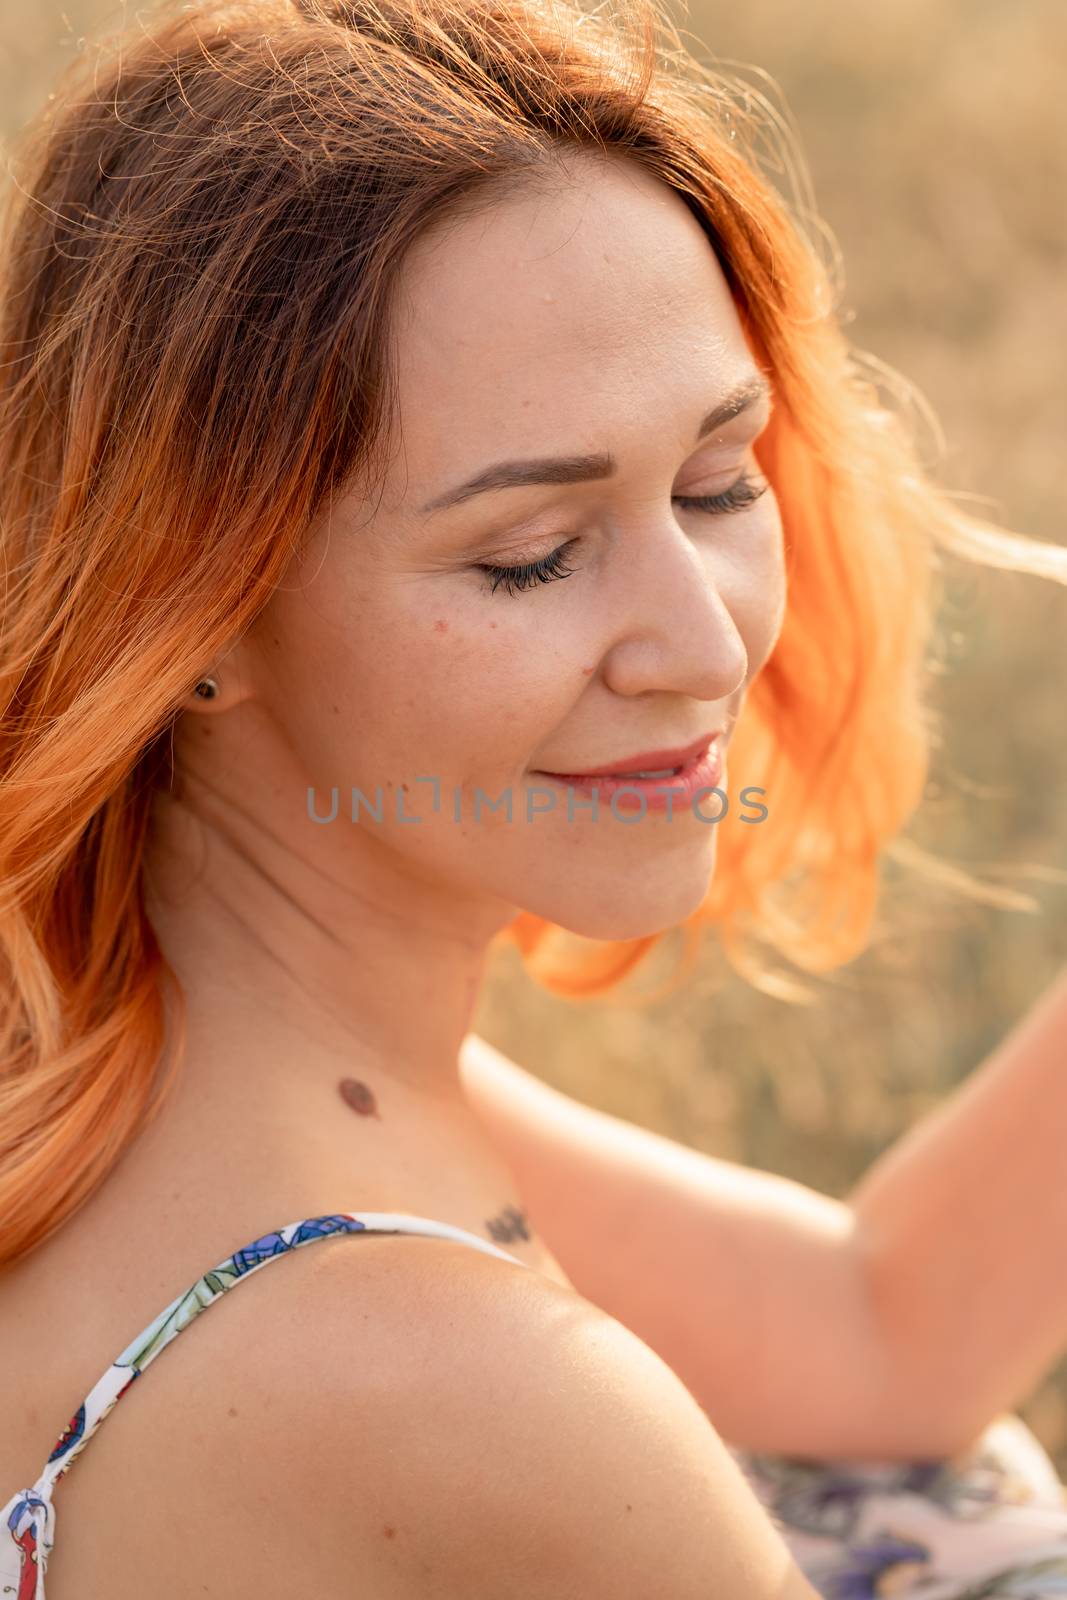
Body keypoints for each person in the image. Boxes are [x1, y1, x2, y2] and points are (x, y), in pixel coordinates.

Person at [0, 0, 1065, 1594]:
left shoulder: (159, 1056)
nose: (704, 643)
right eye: (534, 555)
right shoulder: (458, 1381)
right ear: (195, 610)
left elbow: (876, 1341)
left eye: (719, 481)